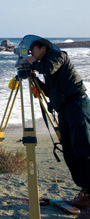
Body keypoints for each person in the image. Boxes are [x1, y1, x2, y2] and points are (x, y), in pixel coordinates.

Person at [25, 38, 90, 218]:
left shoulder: (58, 56)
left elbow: (48, 68)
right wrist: (35, 80)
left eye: (32, 51)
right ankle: (85, 196)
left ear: (43, 48)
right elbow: (50, 89)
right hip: (64, 109)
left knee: (85, 151)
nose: (30, 54)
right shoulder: (45, 63)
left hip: (77, 104)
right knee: (70, 153)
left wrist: (34, 64)